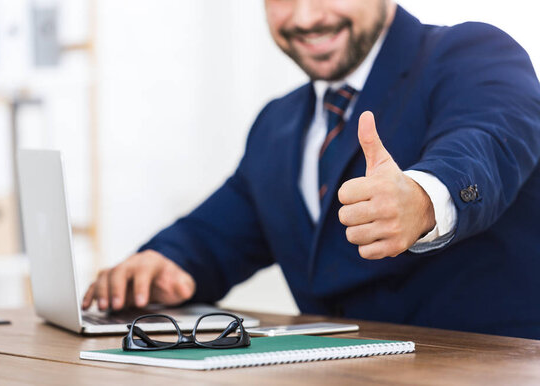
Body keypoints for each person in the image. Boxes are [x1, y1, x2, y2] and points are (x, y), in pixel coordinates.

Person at [83, 0, 540, 339]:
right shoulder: (277, 125)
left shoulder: (472, 53)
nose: (305, 18)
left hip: (485, 369)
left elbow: (489, 140)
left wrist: (422, 198)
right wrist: (163, 263)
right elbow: (217, 234)